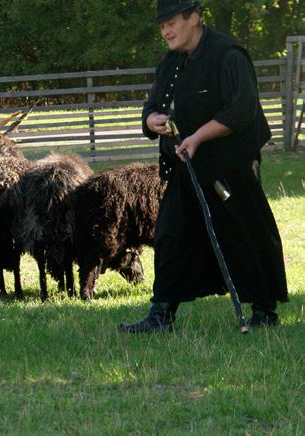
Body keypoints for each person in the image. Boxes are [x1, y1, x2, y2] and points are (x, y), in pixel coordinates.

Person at [118, 0, 288, 333]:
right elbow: (153, 105)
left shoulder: (229, 55)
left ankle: (264, 311)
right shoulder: (171, 62)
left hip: (231, 165)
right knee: (170, 235)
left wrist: (198, 136)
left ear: (194, 18)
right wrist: (151, 119)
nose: (165, 31)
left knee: (244, 234)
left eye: (171, 23)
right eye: (161, 26)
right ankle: (161, 315)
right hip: (186, 165)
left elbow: (242, 109)